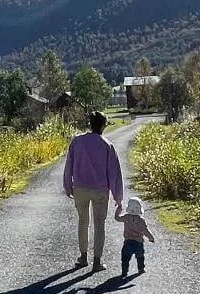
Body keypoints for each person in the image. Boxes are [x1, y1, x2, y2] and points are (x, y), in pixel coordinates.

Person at [61, 110, 123, 270]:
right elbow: (114, 173)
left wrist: (68, 185)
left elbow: (69, 165)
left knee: (83, 222)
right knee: (99, 224)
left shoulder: (77, 142)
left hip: (80, 188)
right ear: (103, 125)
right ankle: (97, 261)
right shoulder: (107, 145)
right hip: (100, 189)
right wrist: (118, 197)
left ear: (90, 123)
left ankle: (83, 257)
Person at [118, 195, 155, 278]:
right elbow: (145, 231)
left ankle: (124, 271)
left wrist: (118, 210)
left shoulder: (126, 217)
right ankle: (141, 269)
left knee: (125, 258)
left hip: (127, 242)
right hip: (138, 242)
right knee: (140, 256)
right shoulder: (141, 221)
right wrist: (151, 238)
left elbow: (117, 218)